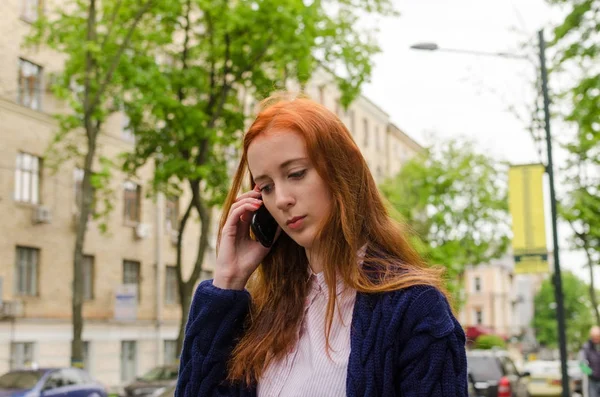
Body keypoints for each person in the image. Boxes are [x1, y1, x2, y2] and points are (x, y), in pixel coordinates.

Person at [175, 92, 467, 397]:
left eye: (296, 174)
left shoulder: (415, 309)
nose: (282, 199)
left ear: (342, 169)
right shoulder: (261, 313)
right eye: (267, 187)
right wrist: (228, 282)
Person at [580, 326, 600, 397]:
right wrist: (590, 372)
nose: (596, 338)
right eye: (594, 336)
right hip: (593, 381)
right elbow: (581, 363)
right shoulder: (587, 346)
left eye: (597, 336)